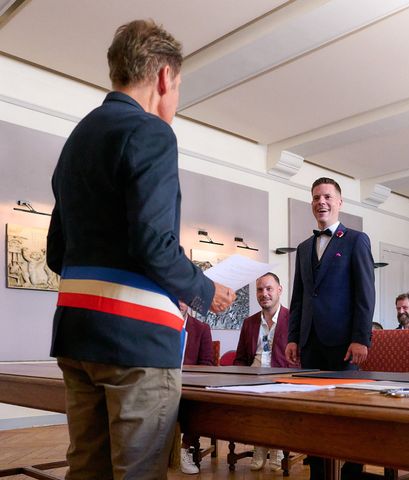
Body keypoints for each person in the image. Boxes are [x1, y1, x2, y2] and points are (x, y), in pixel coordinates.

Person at [46, 20, 235, 480]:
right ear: (165, 77)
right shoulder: (152, 133)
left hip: (77, 335)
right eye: (179, 87)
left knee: (86, 470)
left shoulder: (79, 137)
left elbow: (56, 253)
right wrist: (203, 289)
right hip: (136, 343)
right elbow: (153, 244)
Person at [286, 177, 375, 480]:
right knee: (313, 414)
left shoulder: (356, 240)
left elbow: (365, 293)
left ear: (339, 202)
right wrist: (293, 337)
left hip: (344, 343)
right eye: (315, 197)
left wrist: (361, 338)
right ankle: (319, 473)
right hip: (310, 342)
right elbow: (298, 297)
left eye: (326, 197)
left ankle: (351, 473)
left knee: (347, 415)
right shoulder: (303, 247)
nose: (320, 202)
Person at [234, 272, 291, 471]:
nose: (264, 293)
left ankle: (274, 448)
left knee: (273, 402)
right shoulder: (249, 323)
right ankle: (260, 445)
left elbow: (300, 358)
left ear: (279, 290)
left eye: (269, 289)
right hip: (253, 376)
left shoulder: (293, 319)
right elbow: (240, 358)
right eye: (260, 289)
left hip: (283, 377)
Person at [179, 301, 214, 475]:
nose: (179, 302)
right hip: (164, 381)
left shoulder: (201, 329)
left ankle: (184, 449)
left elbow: (207, 364)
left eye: (183, 298)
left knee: (197, 404)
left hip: (191, 383)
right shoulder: (160, 325)